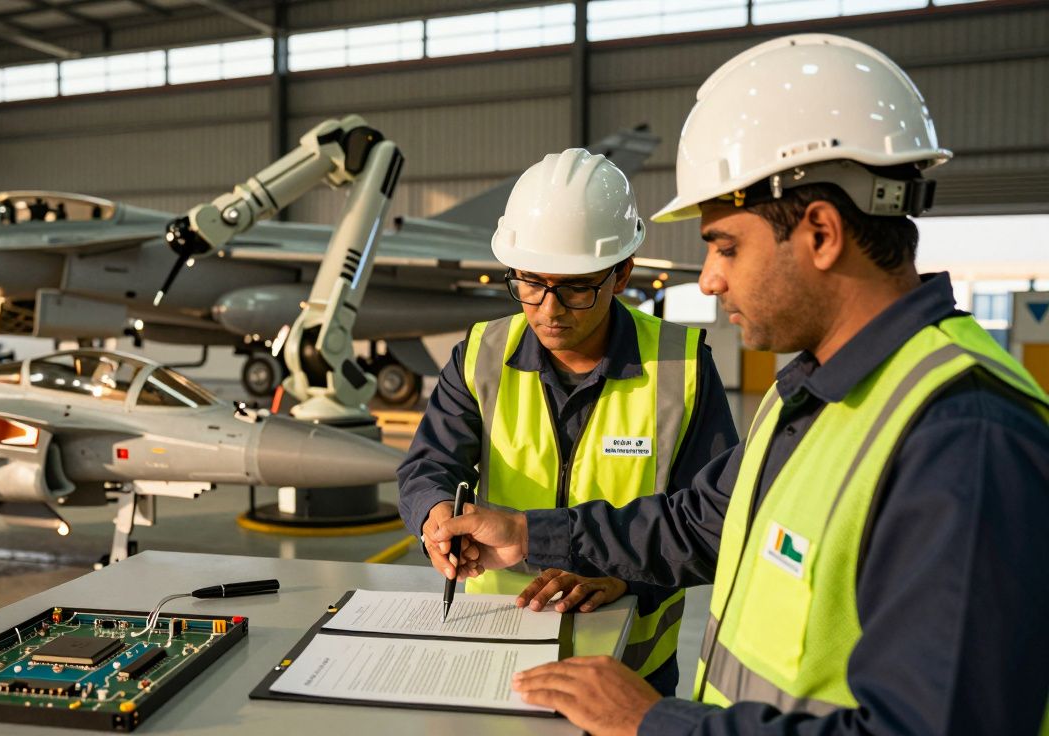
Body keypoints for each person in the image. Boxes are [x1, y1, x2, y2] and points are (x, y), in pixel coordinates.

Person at [431, 34, 1049, 735]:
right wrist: (523, 532)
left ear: (820, 232)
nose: (709, 278)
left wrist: (658, 722)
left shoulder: (963, 439)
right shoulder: (813, 397)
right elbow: (692, 524)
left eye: (726, 245)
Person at [398, 148, 737, 696]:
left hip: (628, 670)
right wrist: (434, 516)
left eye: (576, 287)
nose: (548, 309)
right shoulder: (481, 354)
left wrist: (623, 576)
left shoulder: (682, 367)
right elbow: (428, 464)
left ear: (622, 272)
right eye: (530, 282)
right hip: (497, 647)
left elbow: (713, 525)